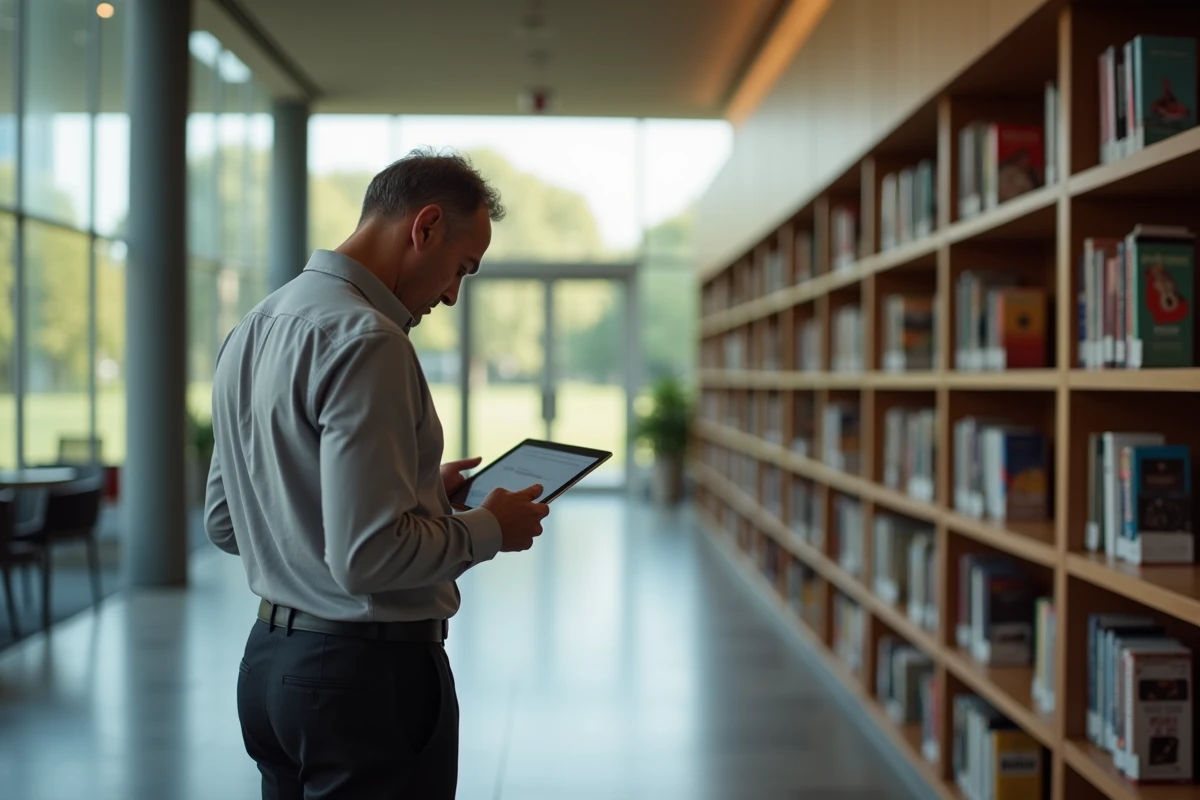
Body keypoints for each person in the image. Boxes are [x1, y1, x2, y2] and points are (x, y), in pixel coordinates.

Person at [204, 147, 550, 799]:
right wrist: (489, 528)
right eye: (460, 269)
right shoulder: (370, 339)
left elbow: (228, 522)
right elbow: (367, 559)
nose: (451, 294)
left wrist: (418, 492)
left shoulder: (253, 326)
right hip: (365, 684)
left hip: (270, 671)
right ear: (424, 228)